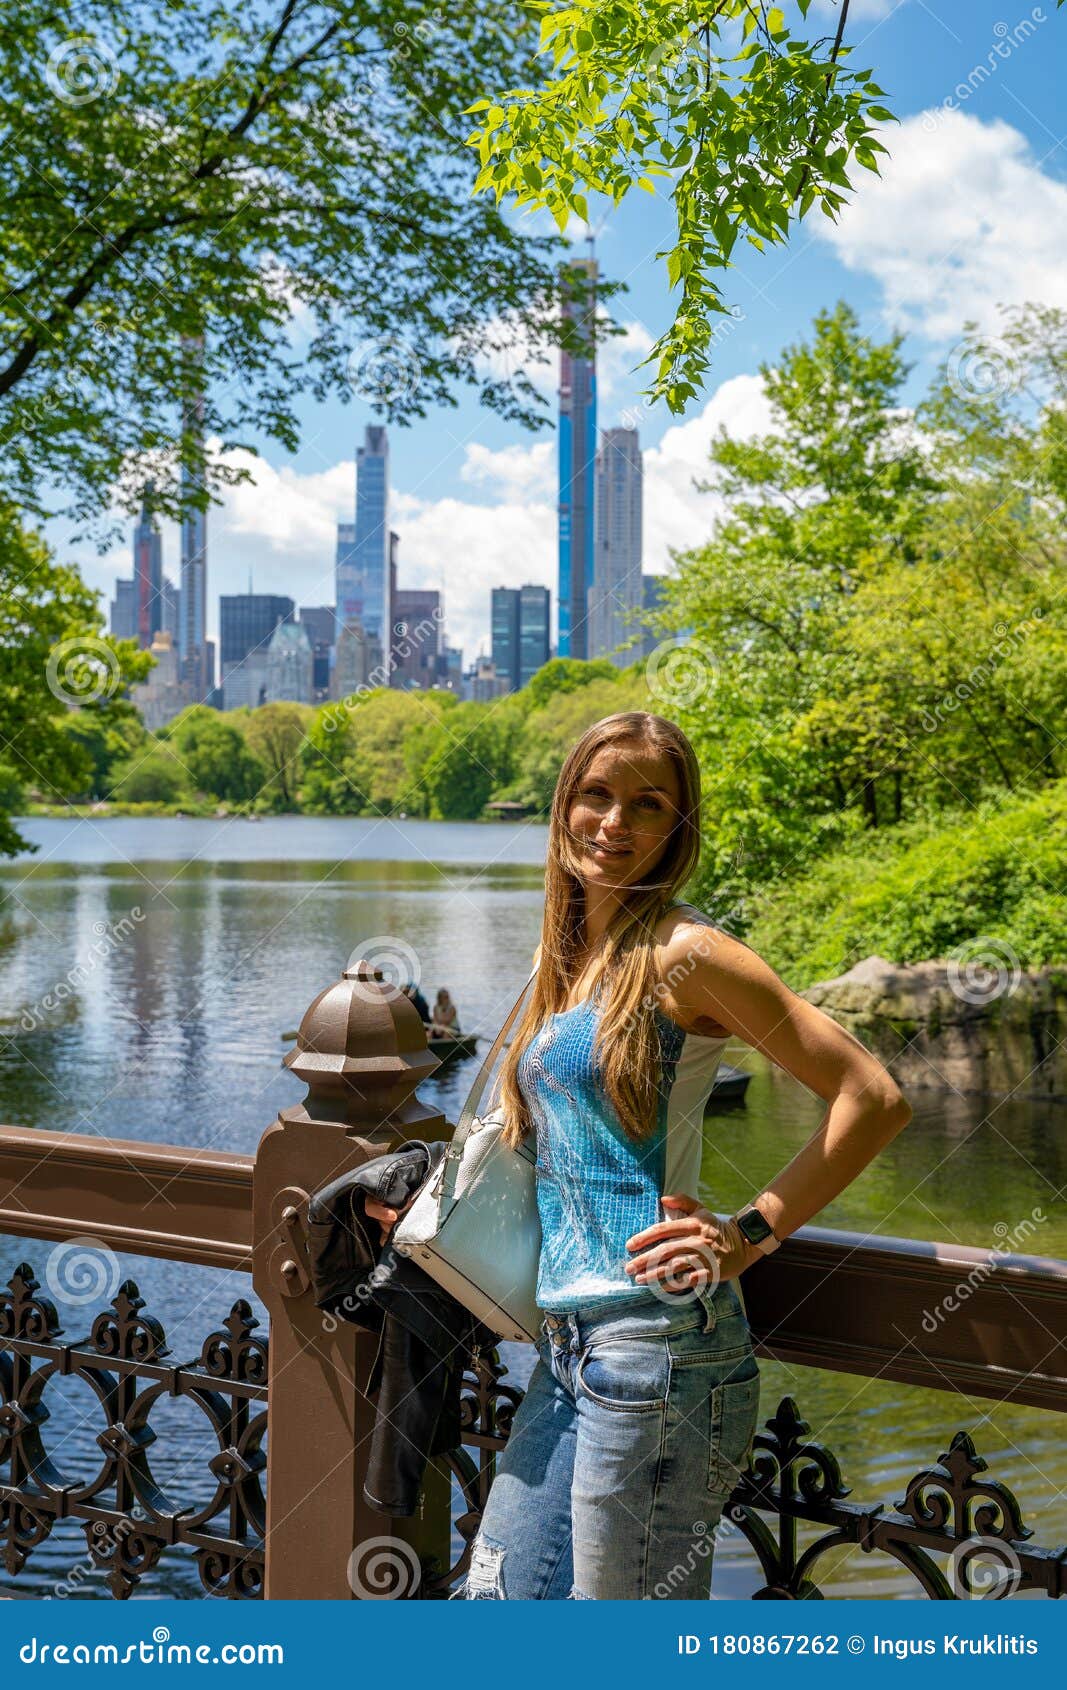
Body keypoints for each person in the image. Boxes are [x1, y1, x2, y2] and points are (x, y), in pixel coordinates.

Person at [367, 710, 912, 1600]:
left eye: (646, 805)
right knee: (496, 1603)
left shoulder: (687, 955)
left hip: (658, 1349)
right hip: (566, 1346)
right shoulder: (575, 954)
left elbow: (873, 1097)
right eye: (595, 795)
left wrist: (747, 1234)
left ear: (676, 828)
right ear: (564, 807)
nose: (613, 824)